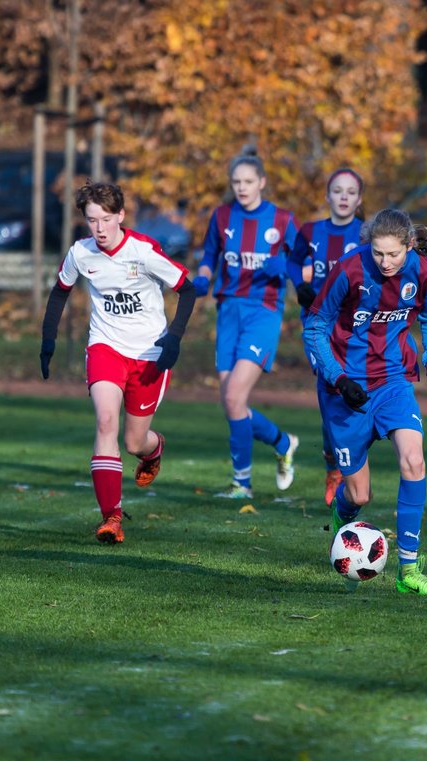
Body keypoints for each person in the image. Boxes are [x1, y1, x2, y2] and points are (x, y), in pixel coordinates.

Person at [302, 208, 427, 595]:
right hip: (346, 388)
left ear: (409, 245)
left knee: (414, 459)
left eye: (393, 254)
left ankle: (409, 569)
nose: (386, 262)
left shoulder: (424, 272)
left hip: (394, 381)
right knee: (360, 494)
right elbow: (315, 327)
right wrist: (338, 379)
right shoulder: (349, 270)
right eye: (378, 254)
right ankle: (343, 513)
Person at [39, 181, 196, 544]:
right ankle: (111, 517)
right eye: (92, 220)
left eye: (106, 219)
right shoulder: (81, 253)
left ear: (121, 216)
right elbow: (60, 291)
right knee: (105, 420)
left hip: (149, 355)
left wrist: (174, 338)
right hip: (106, 348)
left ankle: (153, 451)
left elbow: (187, 289)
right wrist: (49, 339)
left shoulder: (143, 251)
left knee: (134, 441)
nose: (100, 228)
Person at [194, 151, 301, 500]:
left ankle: (242, 483)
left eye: (248, 182)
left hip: (263, 313)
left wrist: (283, 266)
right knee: (231, 403)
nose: (242, 188)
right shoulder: (222, 215)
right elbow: (209, 255)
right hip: (228, 311)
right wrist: (203, 277)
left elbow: (305, 264)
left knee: (236, 395)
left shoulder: (282, 219)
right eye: (236, 182)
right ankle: (283, 443)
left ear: (262, 182)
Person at [286, 168, 365, 506]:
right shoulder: (311, 230)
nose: (344, 196)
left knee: (349, 392)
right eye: (338, 190)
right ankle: (334, 463)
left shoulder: (366, 233)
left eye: (350, 192)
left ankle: (344, 459)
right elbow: (291, 262)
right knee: (330, 384)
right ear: (327, 196)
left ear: (359, 199)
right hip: (317, 327)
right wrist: (300, 285)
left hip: (353, 328)